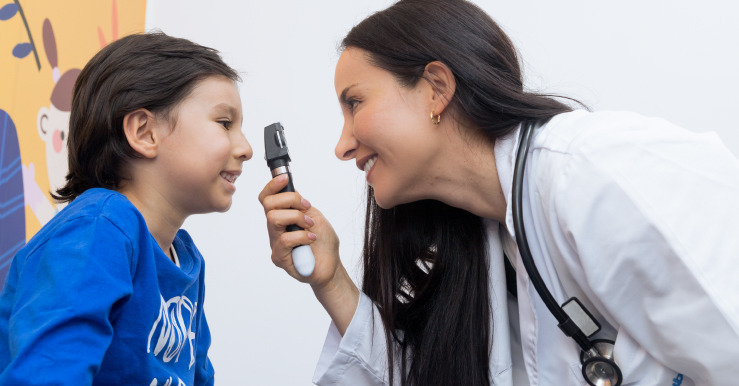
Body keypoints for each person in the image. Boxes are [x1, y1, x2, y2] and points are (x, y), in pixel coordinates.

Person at [258, 0, 739, 385]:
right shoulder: (478, 240)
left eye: (355, 103)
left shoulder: (592, 170)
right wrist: (331, 280)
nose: (342, 146)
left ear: (435, 89)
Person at [0, 32, 252, 385]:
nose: (246, 148)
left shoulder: (186, 257)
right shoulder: (98, 228)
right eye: (225, 123)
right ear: (144, 132)